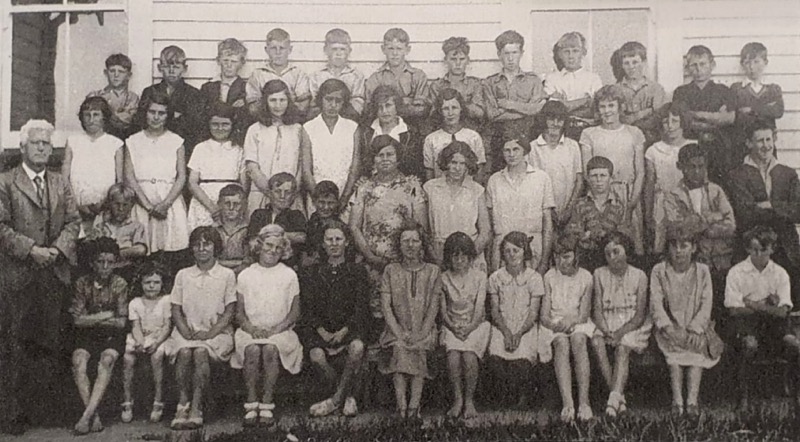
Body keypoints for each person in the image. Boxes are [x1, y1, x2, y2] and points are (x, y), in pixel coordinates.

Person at [0, 120, 81, 435]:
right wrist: (31, 249)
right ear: (22, 147)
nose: (42, 149)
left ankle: (44, 411)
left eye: (47, 144)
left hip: (54, 272)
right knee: (15, 343)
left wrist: (57, 250)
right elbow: (2, 227)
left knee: (50, 342)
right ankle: (12, 413)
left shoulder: (60, 182)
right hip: (18, 275)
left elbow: (73, 222)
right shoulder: (6, 183)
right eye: (36, 143)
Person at [350, 135, 428, 343]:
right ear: (373, 159)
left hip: (403, 264)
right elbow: (354, 226)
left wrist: (405, 258)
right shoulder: (364, 187)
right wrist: (369, 255)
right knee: (373, 315)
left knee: (400, 312)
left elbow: (421, 228)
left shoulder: (411, 185)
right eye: (379, 155)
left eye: (389, 154)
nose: (385, 159)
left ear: (398, 157)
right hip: (371, 263)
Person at [166, 227, 237, 429]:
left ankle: (197, 407)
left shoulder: (226, 275)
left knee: (200, 352)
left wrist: (210, 333)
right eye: (197, 244)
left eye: (207, 244)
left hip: (217, 334)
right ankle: (183, 404)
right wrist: (185, 331)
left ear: (216, 247)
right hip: (186, 331)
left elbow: (230, 311)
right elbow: (176, 308)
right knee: (185, 352)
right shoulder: (183, 275)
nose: (202, 248)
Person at [233, 224, 303, 426]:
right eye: (269, 245)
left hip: (280, 330)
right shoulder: (246, 275)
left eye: (278, 248)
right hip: (250, 330)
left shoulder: (289, 274)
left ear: (284, 251)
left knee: (271, 349)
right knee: (252, 349)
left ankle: (267, 403)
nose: (273, 251)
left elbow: (294, 312)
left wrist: (276, 329)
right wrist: (251, 329)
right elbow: (239, 313)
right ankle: (251, 401)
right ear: (259, 245)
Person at [650, 225, 722, 417]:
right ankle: (677, 401)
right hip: (670, 328)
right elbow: (656, 304)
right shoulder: (659, 271)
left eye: (684, 245)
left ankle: (692, 401)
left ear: (694, 248)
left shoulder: (702, 271)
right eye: (674, 246)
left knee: (696, 355)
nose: (679, 251)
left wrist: (696, 329)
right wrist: (668, 328)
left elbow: (707, 303)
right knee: (674, 357)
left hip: (695, 327)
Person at [300, 219, 369, 417]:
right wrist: (321, 330)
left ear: (347, 242)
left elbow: (360, 307)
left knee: (357, 348)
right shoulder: (312, 272)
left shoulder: (357, 271)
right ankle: (347, 396)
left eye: (338, 239)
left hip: (349, 329)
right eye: (329, 239)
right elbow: (309, 308)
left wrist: (345, 330)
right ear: (322, 243)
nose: (334, 243)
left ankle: (334, 400)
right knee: (316, 356)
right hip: (321, 330)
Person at [729, 121, 800, 306]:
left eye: (769, 139)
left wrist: (769, 205)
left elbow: (798, 211)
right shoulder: (738, 174)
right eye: (760, 140)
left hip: (786, 247)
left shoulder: (788, 174)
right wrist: (783, 210)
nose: (766, 145)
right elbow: (746, 214)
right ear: (748, 143)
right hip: (753, 245)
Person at [662, 144, 736, 315]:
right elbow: (679, 231)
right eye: (691, 167)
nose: (697, 172)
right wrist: (711, 217)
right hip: (693, 263)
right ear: (680, 167)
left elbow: (730, 225)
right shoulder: (673, 195)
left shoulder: (715, 191)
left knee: (720, 310)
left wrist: (704, 229)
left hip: (720, 260)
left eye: (701, 166)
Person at [724, 225, 792, 411]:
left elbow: (783, 312)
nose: (759, 254)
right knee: (749, 345)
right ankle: (743, 396)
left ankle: (790, 394)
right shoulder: (736, 272)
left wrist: (752, 303)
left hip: (773, 326)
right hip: (745, 325)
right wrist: (768, 306)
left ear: (772, 249)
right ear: (747, 249)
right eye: (754, 249)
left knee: (793, 343)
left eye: (764, 250)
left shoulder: (780, 273)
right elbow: (734, 310)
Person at [379, 221, 440, 419]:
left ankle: (414, 407)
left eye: (415, 240)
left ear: (422, 244)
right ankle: (401, 406)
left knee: (420, 347)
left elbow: (433, 306)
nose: (410, 245)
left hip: (424, 328)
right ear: (399, 244)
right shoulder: (390, 270)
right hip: (396, 329)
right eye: (406, 241)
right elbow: (386, 306)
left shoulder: (432, 271)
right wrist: (399, 332)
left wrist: (421, 333)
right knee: (399, 347)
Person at [69, 238, 128, 435]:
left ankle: (87, 417)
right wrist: (105, 315)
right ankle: (93, 416)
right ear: (93, 263)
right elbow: (77, 320)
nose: (104, 266)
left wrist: (90, 318)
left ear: (115, 263)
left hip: (111, 336)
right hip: (86, 336)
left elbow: (121, 322)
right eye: (100, 261)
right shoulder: (82, 283)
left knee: (107, 360)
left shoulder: (120, 283)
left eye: (109, 262)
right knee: (78, 362)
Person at [124, 90, 190, 264]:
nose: (156, 117)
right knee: (143, 251)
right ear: (145, 113)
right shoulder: (133, 141)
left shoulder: (176, 141)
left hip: (169, 202)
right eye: (152, 112)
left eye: (161, 113)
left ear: (167, 116)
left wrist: (165, 204)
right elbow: (129, 176)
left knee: (170, 252)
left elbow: (181, 177)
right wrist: (147, 206)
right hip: (142, 202)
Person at [580, 85, 646, 255]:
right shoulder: (589, 134)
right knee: (600, 243)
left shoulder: (634, 133)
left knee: (629, 243)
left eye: (611, 105)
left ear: (620, 106)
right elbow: (588, 173)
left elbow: (640, 172)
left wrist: (631, 203)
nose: (607, 111)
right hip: (600, 195)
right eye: (602, 106)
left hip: (628, 193)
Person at [591, 231, 651, 417]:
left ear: (627, 250)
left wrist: (618, 334)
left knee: (622, 348)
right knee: (596, 342)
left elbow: (640, 315)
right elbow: (597, 310)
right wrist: (607, 331)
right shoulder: (599, 274)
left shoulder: (639, 275)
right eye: (608, 254)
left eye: (616, 251)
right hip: (607, 322)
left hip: (631, 323)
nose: (612, 257)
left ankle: (611, 404)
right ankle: (618, 398)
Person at [539, 235, 595, 422]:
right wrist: (555, 325)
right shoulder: (549, 276)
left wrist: (571, 321)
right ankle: (568, 404)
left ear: (576, 255)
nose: (560, 261)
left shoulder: (586, 277)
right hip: (554, 324)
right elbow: (544, 315)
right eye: (557, 256)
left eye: (566, 256)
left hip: (577, 320)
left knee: (579, 341)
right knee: (561, 344)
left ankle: (584, 403)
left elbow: (584, 314)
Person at [487, 232, 544, 408]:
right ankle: (504, 398)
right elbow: (495, 311)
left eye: (516, 250)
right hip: (502, 324)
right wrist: (505, 332)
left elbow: (533, 313)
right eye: (507, 251)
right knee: (497, 357)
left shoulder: (534, 278)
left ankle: (523, 398)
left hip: (525, 325)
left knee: (522, 360)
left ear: (524, 252)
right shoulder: (495, 278)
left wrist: (519, 333)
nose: (512, 255)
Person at [439, 232, 490, 420]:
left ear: (470, 257)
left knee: (469, 356)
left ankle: (469, 401)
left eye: (463, 256)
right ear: (449, 257)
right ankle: (457, 399)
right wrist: (453, 327)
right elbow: (443, 312)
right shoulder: (443, 278)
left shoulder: (479, 277)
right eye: (455, 255)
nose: (459, 260)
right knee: (453, 357)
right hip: (452, 325)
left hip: (475, 325)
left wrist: (469, 328)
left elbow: (479, 309)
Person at [243, 79, 310, 217]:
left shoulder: (298, 129)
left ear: (288, 101)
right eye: (273, 100)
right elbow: (251, 166)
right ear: (265, 102)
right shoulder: (254, 129)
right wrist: (272, 193)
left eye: (282, 100)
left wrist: (289, 192)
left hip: (291, 196)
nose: (278, 105)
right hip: (261, 193)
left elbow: (301, 166)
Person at [486, 138, 554, 273]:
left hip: (533, 248)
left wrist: (544, 261)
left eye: (516, 149)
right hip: (502, 250)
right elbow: (488, 226)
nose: (511, 154)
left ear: (525, 152)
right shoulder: (494, 180)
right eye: (507, 150)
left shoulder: (541, 178)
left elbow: (547, 225)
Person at [672, 45, 735, 188]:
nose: (698, 69)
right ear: (687, 68)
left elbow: (729, 119)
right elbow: (685, 121)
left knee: (718, 189)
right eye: (693, 65)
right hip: (692, 148)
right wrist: (715, 118)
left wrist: (697, 114)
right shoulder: (681, 92)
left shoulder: (723, 91)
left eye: (702, 64)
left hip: (719, 149)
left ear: (712, 65)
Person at [483, 30, 546, 172]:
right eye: (506, 53)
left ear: (521, 53)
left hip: (527, 136)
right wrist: (526, 109)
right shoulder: (490, 82)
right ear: (499, 55)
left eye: (514, 53)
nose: (511, 58)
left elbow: (537, 110)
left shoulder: (533, 80)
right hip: (499, 139)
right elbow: (492, 114)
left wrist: (509, 105)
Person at [423, 141, 490, 269]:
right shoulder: (430, 188)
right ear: (446, 163)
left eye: (462, 163)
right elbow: (424, 230)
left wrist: (468, 256)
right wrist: (436, 258)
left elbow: (485, 232)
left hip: (470, 256)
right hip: (439, 255)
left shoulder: (477, 190)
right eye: (453, 162)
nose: (457, 168)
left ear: (467, 165)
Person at [62, 96, 124, 232]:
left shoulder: (115, 143)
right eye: (87, 115)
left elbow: (119, 181)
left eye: (96, 115)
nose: (91, 120)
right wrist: (76, 204)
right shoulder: (73, 141)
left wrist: (105, 204)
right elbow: (65, 178)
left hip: (105, 208)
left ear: (104, 117)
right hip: (77, 207)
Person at [121, 262, 172, 424]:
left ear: (162, 283)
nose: (151, 286)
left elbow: (167, 327)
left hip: (160, 338)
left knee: (157, 356)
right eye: (147, 282)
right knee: (128, 358)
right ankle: (127, 402)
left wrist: (156, 343)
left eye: (156, 282)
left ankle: (158, 401)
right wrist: (141, 342)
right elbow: (135, 327)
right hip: (141, 337)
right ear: (141, 283)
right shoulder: (135, 302)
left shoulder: (166, 301)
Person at [301, 78, 361, 209]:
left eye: (338, 101)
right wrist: (319, 200)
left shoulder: (352, 127)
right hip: (317, 197)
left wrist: (344, 198)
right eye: (328, 99)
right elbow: (306, 169)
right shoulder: (309, 127)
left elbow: (354, 167)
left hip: (345, 194)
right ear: (321, 99)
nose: (333, 105)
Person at [644, 103, 696, 253]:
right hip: (661, 203)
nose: (670, 126)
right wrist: (648, 215)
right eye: (666, 122)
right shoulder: (654, 150)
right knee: (661, 243)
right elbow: (649, 184)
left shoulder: (693, 145)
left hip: (687, 201)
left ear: (683, 123)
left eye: (675, 121)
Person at [138, 45, 207, 155]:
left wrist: (167, 119)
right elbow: (142, 121)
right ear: (160, 67)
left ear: (184, 68)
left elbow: (194, 125)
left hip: (184, 147)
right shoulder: (150, 92)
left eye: (176, 67)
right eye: (166, 66)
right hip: (154, 147)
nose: (171, 71)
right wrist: (174, 116)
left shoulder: (193, 94)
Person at [187, 103, 245, 232]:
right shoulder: (200, 148)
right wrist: (212, 207)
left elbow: (243, 184)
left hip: (231, 202)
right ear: (208, 125)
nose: (220, 128)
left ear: (232, 125)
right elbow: (192, 182)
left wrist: (232, 207)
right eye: (215, 124)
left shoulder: (239, 150)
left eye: (225, 124)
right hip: (203, 201)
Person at [564, 156, 628, 272]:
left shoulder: (619, 205)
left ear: (611, 178)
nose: (598, 180)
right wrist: (588, 235)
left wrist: (591, 234)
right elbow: (574, 232)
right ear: (588, 178)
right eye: (594, 176)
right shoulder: (580, 204)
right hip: (586, 258)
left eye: (603, 176)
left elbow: (622, 234)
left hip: (611, 258)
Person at [528, 100, 583, 227]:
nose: (555, 124)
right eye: (551, 119)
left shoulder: (572, 145)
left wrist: (569, 209)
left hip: (568, 211)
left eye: (560, 120)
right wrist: (549, 211)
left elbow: (579, 181)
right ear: (544, 120)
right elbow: (532, 184)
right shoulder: (533, 147)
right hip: (541, 211)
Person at [365, 27, 428, 131]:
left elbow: (420, 110)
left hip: (413, 128)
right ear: (383, 49)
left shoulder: (418, 76)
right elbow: (371, 109)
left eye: (399, 49)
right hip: (384, 128)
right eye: (390, 48)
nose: (395, 53)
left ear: (407, 50)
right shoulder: (375, 78)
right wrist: (407, 102)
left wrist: (393, 107)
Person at [544, 31, 603, 140]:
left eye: (575, 51)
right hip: (561, 131)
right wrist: (584, 101)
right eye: (566, 52)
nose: (571, 56)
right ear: (560, 54)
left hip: (588, 129)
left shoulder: (593, 78)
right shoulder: (552, 78)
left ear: (583, 53)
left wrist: (565, 104)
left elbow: (595, 109)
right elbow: (553, 109)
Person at [731, 42, 784, 157]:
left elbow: (778, 111)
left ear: (765, 62)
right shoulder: (737, 89)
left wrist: (751, 110)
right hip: (743, 144)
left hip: (767, 145)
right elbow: (737, 117)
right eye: (747, 63)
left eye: (756, 62)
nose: (752, 67)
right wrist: (766, 110)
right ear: (742, 65)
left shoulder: (773, 89)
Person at [426, 37, 486, 138]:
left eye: (462, 59)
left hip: (470, 131)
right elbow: (433, 114)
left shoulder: (474, 84)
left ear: (468, 60)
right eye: (453, 59)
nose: (458, 63)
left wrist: (457, 102)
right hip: (443, 132)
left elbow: (479, 112)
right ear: (445, 60)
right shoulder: (437, 85)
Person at [423, 88, 486, 183]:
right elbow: (429, 173)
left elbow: (479, 171)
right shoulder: (431, 139)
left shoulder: (473, 137)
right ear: (440, 111)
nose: (450, 113)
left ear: (461, 109)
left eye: (454, 108)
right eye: (445, 109)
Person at [611, 41, 667, 146]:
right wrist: (648, 110)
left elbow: (658, 117)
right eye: (626, 63)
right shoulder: (615, 89)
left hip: (651, 140)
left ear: (644, 62)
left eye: (635, 62)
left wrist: (635, 117)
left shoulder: (656, 88)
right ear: (622, 65)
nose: (631, 67)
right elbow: (620, 118)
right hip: (624, 140)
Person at [246, 28, 312, 117]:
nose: (278, 52)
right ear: (266, 50)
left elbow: (302, 106)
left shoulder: (298, 74)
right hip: (265, 121)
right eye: (273, 48)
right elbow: (253, 108)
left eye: (282, 48)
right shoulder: (258, 74)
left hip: (291, 121)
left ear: (290, 50)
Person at [362, 85, 423, 180]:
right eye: (379, 107)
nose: (384, 111)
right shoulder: (366, 133)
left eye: (388, 105)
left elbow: (416, 167)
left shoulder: (411, 134)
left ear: (397, 106)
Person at [200, 38, 250, 146]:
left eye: (234, 61)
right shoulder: (207, 87)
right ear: (218, 60)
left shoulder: (246, 88)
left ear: (242, 63)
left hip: (236, 141)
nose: (229, 65)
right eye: (225, 60)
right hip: (210, 140)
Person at [309, 28, 366, 119]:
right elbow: (315, 103)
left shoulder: (356, 76)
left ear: (349, 51)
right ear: (326, 50)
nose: (338, 53)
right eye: (334, 49)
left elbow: (357, 104)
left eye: (342, 49)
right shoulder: (317, 76)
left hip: (348, 120)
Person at [246, 172, 307, 253]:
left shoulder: (296, 215)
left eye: (287, 192)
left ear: (293, 196)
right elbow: (252, 240)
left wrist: (272, 235)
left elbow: (302, 237)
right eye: (277, 191)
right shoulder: (259, 214)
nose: (282, 196)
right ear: (269, 193)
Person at [87, 53, 139, 140]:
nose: (116, 75)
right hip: (100, 139)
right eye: (112, 71)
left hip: (125, 139)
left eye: (121, 72)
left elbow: (127, 120)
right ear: (106, 73)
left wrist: (106, 114)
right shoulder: (95, 96)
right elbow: (92, 121)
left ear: (129, 76)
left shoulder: (133, 98)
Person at [304, 181, 343, 266]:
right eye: (321, 202)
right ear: (314, 202)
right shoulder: (310, 223)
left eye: (330, 203)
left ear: (337, 203)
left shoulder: (340, 227)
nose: (326, 207)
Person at [214, 184, 249, 273]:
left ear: (244, 205)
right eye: (227, 203)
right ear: (219, 204)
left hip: (242, 272)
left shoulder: (248, 230)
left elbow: (249, 260)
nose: (231, 208)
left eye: (236, 204)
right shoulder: (213, 230)